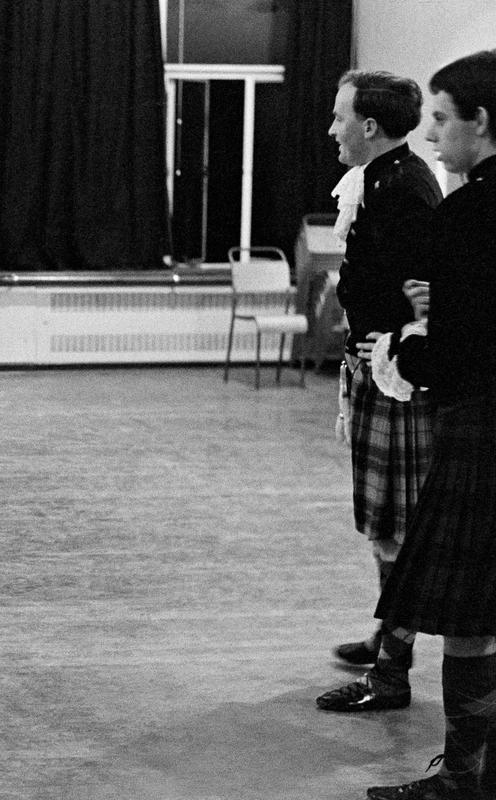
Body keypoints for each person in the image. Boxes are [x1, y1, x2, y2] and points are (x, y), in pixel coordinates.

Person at [361, 50, 496, 800]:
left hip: (481, 420)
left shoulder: (472, 210)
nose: (434, 135)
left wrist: (410, 346)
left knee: (471, 616)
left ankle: (464, 779)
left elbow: (450, 345)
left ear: (481, 123)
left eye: (444, 120)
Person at [316, 70, 442, 714]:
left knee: (398, 528)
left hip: (398, 381)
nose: (332, 128)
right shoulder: (381, 179)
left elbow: (428, 295)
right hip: (375, 368)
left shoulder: (405, 190)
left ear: (369, 126)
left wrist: (391, 344)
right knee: (383, 527)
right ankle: (388, 637)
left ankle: (392, 672)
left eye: (340, 118)